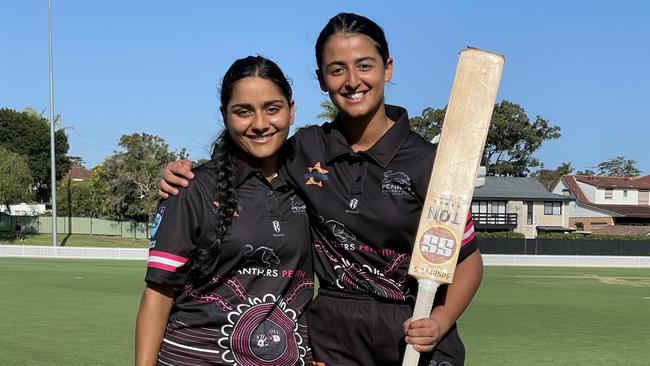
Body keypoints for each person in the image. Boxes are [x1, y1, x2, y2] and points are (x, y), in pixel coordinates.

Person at [160, 13, 483, 366]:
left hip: (412, 329)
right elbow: (251, 146)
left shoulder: (429, 162)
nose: (352, 81)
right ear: (321, 79)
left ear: (387, 69)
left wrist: (441, 319)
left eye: (364, 65)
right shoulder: (305, 150)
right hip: (333, 337)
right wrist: (185, 172)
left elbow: (467, 262)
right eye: (337, 69)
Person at [136, 56, 314, 366]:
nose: (259, 124)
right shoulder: (191, 188)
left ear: (292, 110)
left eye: (272, 108)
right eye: (243, 111)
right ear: (224, 115)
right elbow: (158, 294)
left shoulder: (313, 183)